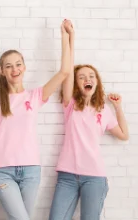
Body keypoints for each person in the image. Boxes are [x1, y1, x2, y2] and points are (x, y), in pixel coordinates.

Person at [0, 18, 76, 220]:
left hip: (31, 170)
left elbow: (65, 72)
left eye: (18, 64)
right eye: (8, 66)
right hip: (2, 169)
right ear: (3, 71)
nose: (14, 69)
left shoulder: (34, 96)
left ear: (24, 67)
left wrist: (66, 36)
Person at [49, 19, 131, 220]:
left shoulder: (103, 111)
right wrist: (68, 37)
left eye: (91, 76)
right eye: (82, 77)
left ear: (97, 82)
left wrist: (118, 107)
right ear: (76, 84)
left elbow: (124, 135)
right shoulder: (70, 105)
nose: (87, 79)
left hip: (95, 177)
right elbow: (67, 71)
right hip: (67, 176)